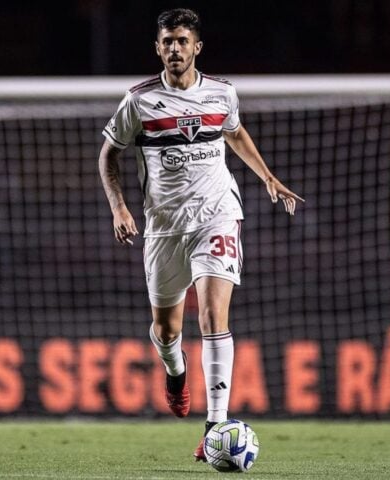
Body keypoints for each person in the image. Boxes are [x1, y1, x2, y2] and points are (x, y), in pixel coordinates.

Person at [97, 8, 303, 462]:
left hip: (218, 215)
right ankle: (174, 372)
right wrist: (119, 207)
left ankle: (214, 428)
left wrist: (267, 177)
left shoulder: (223, 93)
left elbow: (235, 133)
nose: (174, 48)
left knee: (213, 316)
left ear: (197, 47)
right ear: (158, 48)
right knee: (167, 330)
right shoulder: (138, 101)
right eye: (167, 41)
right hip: (164, 227)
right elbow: (107, 155)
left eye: (182, 41)